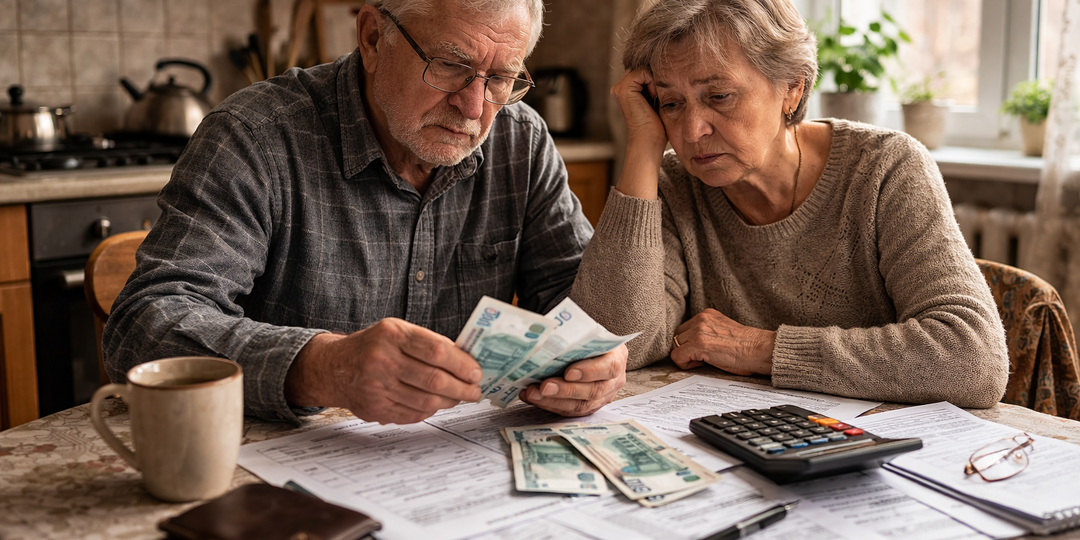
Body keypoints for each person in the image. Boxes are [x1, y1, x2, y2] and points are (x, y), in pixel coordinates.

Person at [104, 0, 627, 425]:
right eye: (450, 65)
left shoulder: (521, 140)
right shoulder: (255, 136)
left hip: (459, 467)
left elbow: (574, 300)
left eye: (500, 79)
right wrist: (322, 369)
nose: (474, 107)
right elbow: (143, 326)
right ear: (374, 37)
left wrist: (593, 356)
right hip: (280, 474)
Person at [570, 0, 1008, 407]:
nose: (691, 130)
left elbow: (973, 360)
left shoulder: (885, 168)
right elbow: (614, 342)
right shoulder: (671, 184)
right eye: (671, 103)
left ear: (792, 89)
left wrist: (760, 349)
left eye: (718, 96)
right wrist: (645, 145)